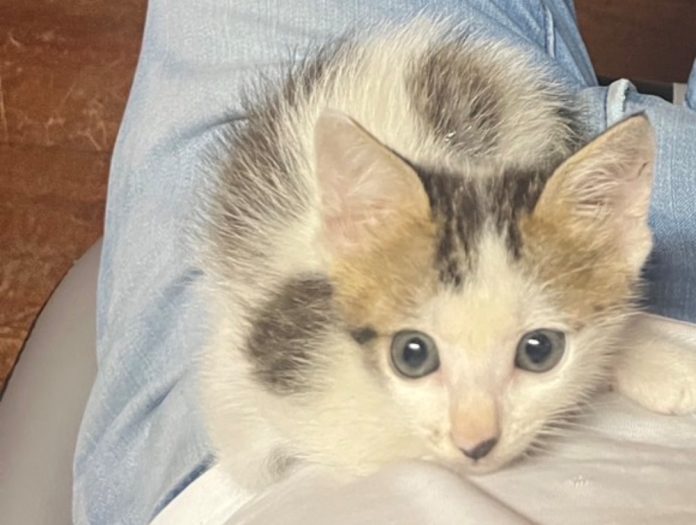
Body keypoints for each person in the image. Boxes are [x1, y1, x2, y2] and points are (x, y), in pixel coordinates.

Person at [72, 1, 696, 523]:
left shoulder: (316, 395)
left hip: (199, 490)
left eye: (538, 351)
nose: (475, 435)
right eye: (415, 355)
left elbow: (239, 397)